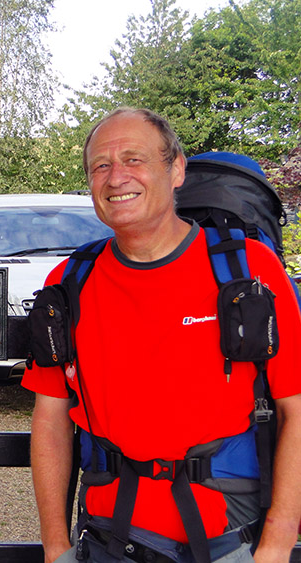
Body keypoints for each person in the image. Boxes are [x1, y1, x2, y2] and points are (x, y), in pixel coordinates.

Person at [22, 107, 301, 563]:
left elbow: (298, 408)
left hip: (229, 539)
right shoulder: (71, 280)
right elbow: (50, 419)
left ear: (176, 169)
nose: (116, 178)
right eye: (101, 166)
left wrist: (276, 545)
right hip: (109, 538)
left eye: (134, 159)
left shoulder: (248, 270)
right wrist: (56, 548)